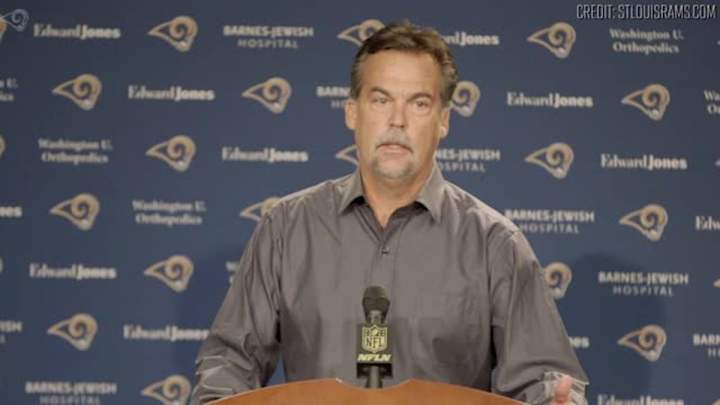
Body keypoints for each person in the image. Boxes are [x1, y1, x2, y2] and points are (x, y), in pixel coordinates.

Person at [190, 21, 588, 405]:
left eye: (419, 103)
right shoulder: (287, 228)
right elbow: (230, 364)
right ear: (352, 112)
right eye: (381, 100)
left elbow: (543, 378)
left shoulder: (494, 244)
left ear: (444, 120)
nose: (397, 121)